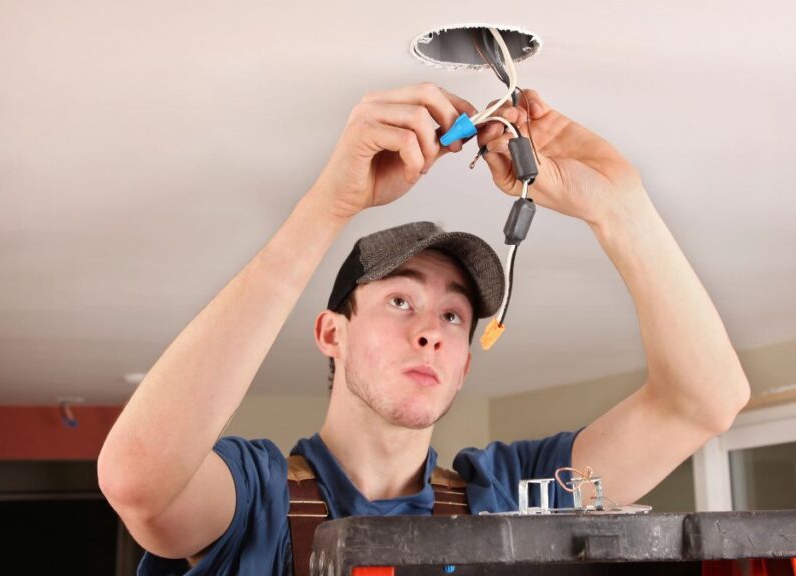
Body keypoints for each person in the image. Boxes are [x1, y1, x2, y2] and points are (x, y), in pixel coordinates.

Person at [98, 82, 751, 575]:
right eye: (400, 302)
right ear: (332, 334)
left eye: (453, 316)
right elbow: (139, 481)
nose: (431, 332)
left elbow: (703, 401)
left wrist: (621, 208)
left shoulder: (504, 494)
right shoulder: (257, 497)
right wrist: (330, 205)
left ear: (464, 362)